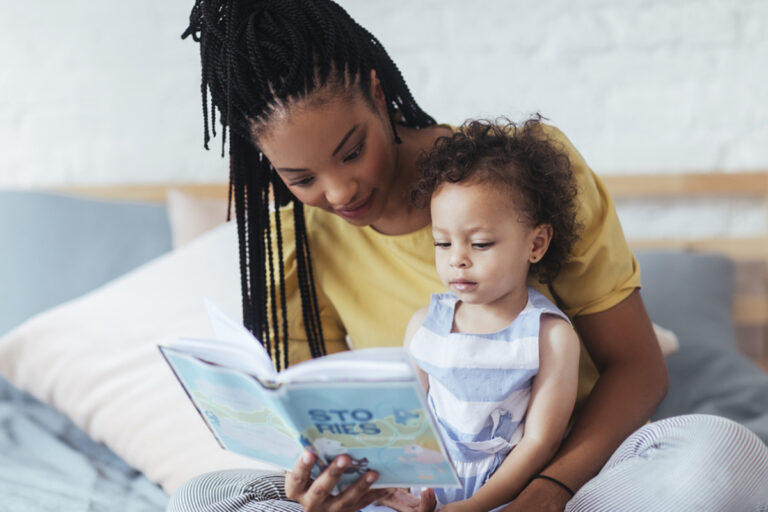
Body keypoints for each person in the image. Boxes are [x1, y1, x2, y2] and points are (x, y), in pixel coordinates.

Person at [168, 1, 768, 511]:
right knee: (203, 495)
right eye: (301, 178)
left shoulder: (522, 176)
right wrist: (323, 486)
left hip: (573, 482)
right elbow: (321, 428)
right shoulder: (294, 246)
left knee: (721, 454)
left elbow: (639, 367)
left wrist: (547, 489)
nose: (340, 192)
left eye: (352, 152)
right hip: (416, 495)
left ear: (377, 92)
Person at [382, 118, 582, 511]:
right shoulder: (425, 325)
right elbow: (405, 424)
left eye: (480, 243)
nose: (457, 258)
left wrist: (474, 507)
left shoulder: (549, 336)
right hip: (421, 492)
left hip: (504, 496)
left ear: (536, 243)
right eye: (442, 242)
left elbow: (541, 442)